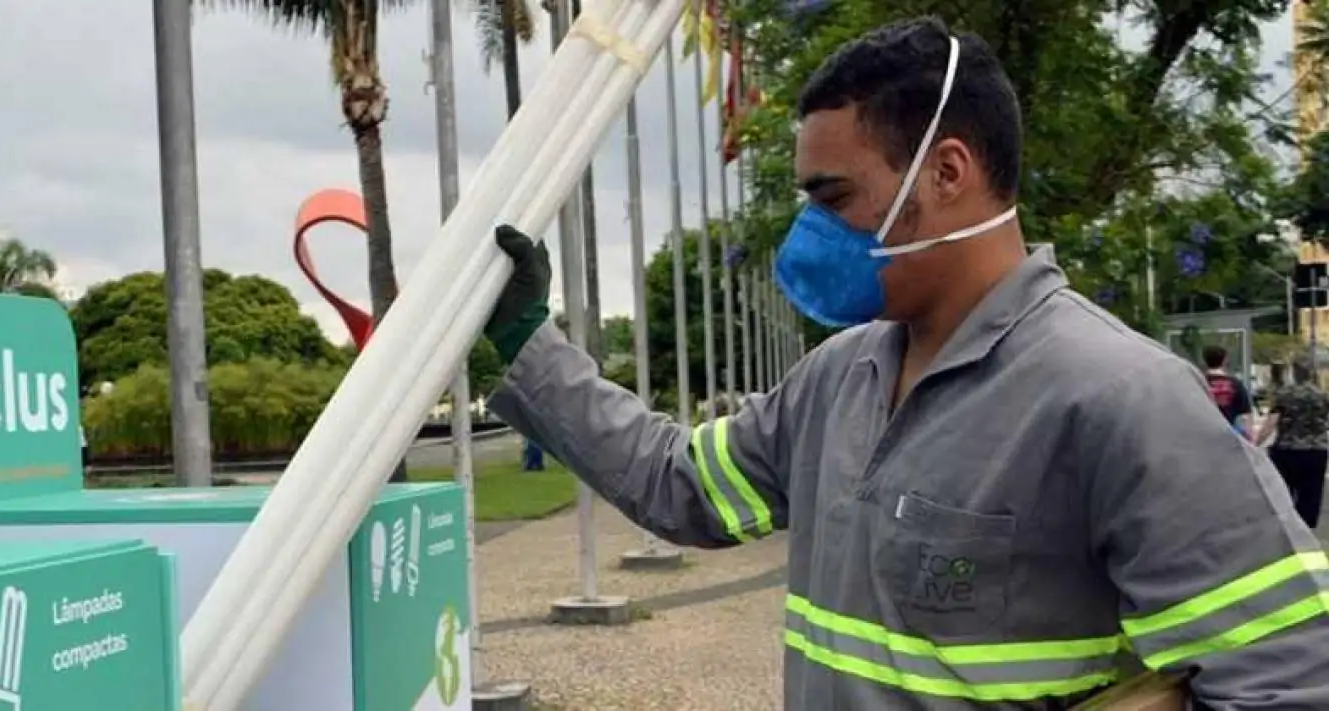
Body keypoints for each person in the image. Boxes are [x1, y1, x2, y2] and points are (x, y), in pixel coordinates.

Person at [479, 17, 1329, 709]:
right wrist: (529, 350)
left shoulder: (1120, 398)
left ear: (947, 172)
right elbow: (677, 481)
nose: (810, 231)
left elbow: (1287, 679)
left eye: (833, 197)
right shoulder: (837, 378)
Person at [1257, 361, 1329, 529]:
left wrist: (1255, 443)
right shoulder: (1322, 395)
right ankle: (1306, 527)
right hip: (1316, 450)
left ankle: (1287, 525)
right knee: (1311, 492)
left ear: (1294, 374)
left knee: (1284, 490)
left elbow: (1271, 423)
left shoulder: (1285, 395)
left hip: (1287, 449)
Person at [1202, 345, 1254, 439]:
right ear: (1225, 360)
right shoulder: (1236, 384)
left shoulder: (1199, 382)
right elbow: (1245, 416)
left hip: (1204, 434)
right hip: (1228, 435)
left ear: (1205, 361)